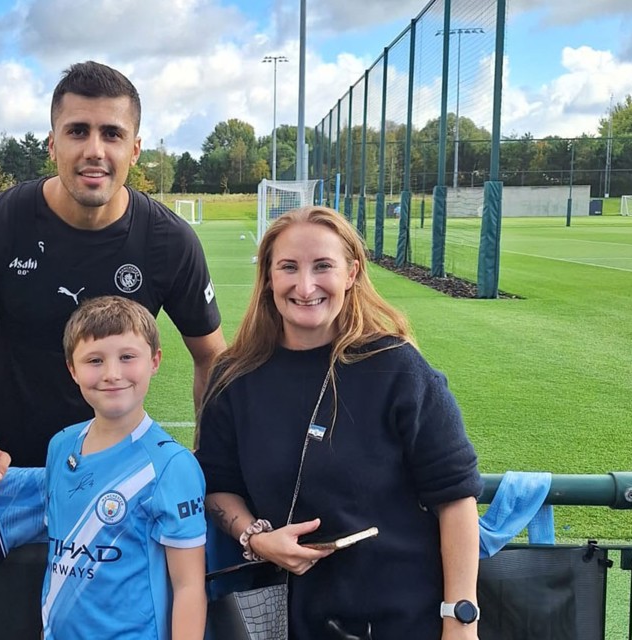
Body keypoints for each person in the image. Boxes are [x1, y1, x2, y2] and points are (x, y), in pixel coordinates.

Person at [196, 206, 482, 640]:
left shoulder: (400, 370)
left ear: (351, 272)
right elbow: (218, 483)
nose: (305, 285)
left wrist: (460, 620)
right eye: (288, 267)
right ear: (269, 277)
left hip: (402, 620)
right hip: (286, 622)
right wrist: (255, 539)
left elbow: (456, 498)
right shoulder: (235, 377)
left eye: (323, 266)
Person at [0, 60, 225, 497]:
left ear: (134, 149)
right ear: (52, 145)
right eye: (78, 131)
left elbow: (211, 356)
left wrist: (207, 465)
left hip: (117, 471)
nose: (95, 149)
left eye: (112, 133)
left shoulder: (169, 241)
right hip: (8, 473)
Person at [42, 296, 206, 640]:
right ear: (72, 369)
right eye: (94, 360)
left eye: (128, 357)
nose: (112, 374)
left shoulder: (171, 466)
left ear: (155, 361)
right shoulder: (60, 446)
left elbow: (189, 587)